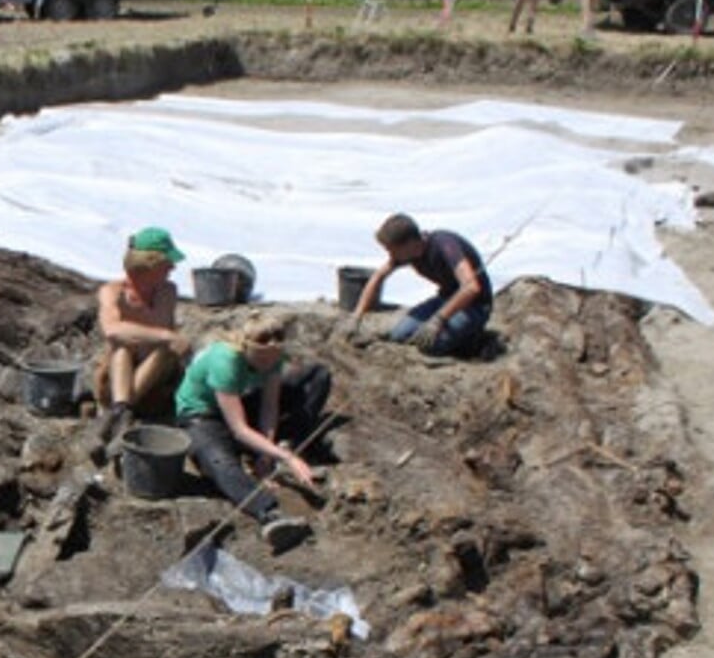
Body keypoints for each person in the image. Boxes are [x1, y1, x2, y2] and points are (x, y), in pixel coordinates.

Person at [173, 316, 330, 552]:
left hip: (240, 401)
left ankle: (287, 443)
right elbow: (239, 429)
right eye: (264, 358)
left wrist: (265, 455)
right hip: (202, 416)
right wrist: (286, 459)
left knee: (317, 375)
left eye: (275, 356)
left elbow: (269, 406)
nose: (270, 363)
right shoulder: (225, 361)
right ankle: (268, 512)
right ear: (246, 348)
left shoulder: (273, 357)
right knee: (219, 461)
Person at [90, 226, 194, 455]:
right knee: (122, 347)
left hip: (153, 382)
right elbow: (112, 330)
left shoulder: (168, 292)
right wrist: (164, 335)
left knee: (164, 352)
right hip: (115, 381)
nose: (172, 268)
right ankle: (121, 411)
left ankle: (119, 414)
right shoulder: (113, 292)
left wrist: (166, 341)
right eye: (167, 263)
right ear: (150, 263)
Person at [352, 213, 494, 358]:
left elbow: (471, 287)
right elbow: (378, 276)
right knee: (399, 335)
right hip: (445, 298)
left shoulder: (445, 244)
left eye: (391, 250)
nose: (390, 255)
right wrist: (357, 316)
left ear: (409, 244)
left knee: (431, 346)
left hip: (475, 306)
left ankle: (474, 341)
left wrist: (438, 319)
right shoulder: (407, 254)